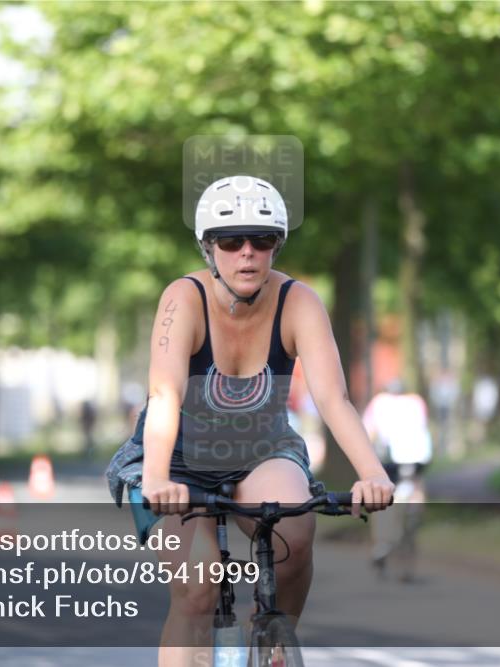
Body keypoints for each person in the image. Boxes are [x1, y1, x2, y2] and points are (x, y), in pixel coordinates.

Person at [106, 175, 395, 666]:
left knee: (295, 527)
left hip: (261, 447)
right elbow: (164, 393)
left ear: (276, 246)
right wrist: (156, 477)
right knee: (199, 585)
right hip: (173, 455)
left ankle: (274, 636)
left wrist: (372, 472)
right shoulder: (183, 299)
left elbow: (333, 397)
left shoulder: (298, 301)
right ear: (208, 248)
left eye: (261, 240)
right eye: (231, 241)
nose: (247, 253)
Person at [361, 379, 432, 573]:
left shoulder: (379, 402)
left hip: (389, 461)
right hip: (417, 460)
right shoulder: (416, 401)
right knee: (415, 490)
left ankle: (384, 541)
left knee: (381, 499)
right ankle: (412, 516)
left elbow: (368, 431)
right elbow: (424, 428)